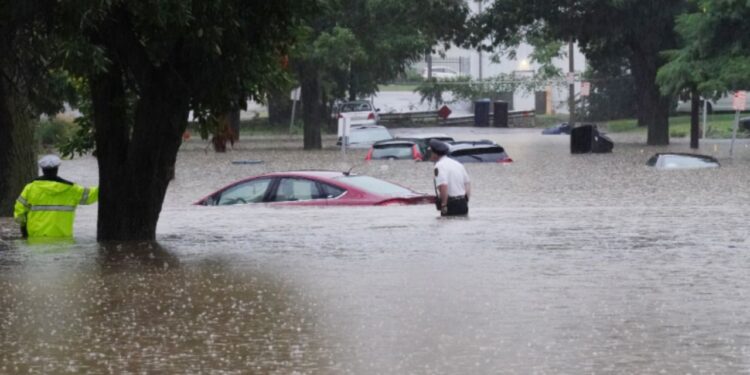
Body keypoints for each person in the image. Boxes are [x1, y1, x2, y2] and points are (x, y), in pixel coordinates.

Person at [13, 155, 99, 239]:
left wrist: (24, 229)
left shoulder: (30, 188)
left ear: (42, 169)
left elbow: (19, 212)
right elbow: (91, 196)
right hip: (63, 238)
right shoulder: (72, 189)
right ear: (57, 169)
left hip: (36, 237)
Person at [429, 139, 470, 216]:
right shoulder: (457, 164)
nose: (429, 155)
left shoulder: (439, 165)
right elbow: (467, 184)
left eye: (431, 152)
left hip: (451, 204)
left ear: (435, 154)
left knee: (446, 226)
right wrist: (466, 201)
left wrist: (444, 204)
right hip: (463, 204)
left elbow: (443, 185)